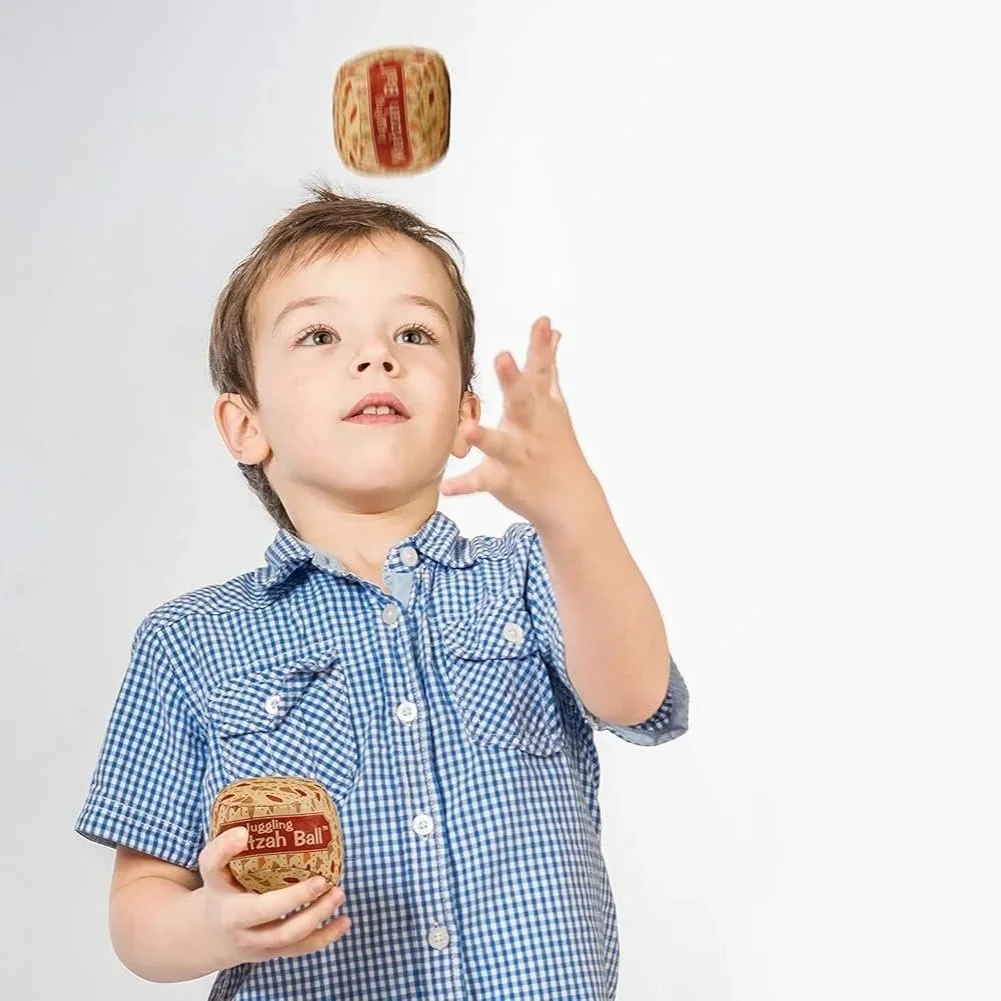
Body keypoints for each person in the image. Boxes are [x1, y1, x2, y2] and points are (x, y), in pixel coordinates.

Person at [74, 180, 691, 1000]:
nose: (376, 357)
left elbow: (634, 694)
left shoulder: (532, 572)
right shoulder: (189, 642)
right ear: (246, 425)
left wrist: (574, 511)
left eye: (413, 332)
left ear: (464, 412)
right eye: (320, 334)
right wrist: (212, 924)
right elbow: (139, 905)